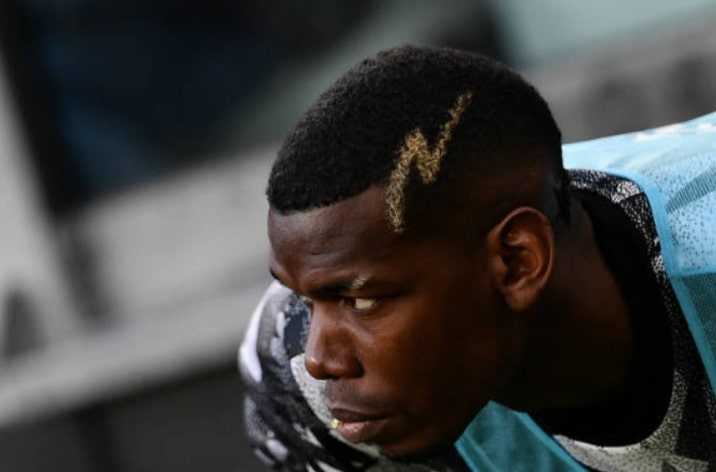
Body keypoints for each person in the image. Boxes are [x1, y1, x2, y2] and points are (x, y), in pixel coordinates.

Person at [239, 45, 716, 471]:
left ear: (518, 260)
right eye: (306, 299)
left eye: (361, 301)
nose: (321, 359)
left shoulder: (705, 252)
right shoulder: (293, 365)